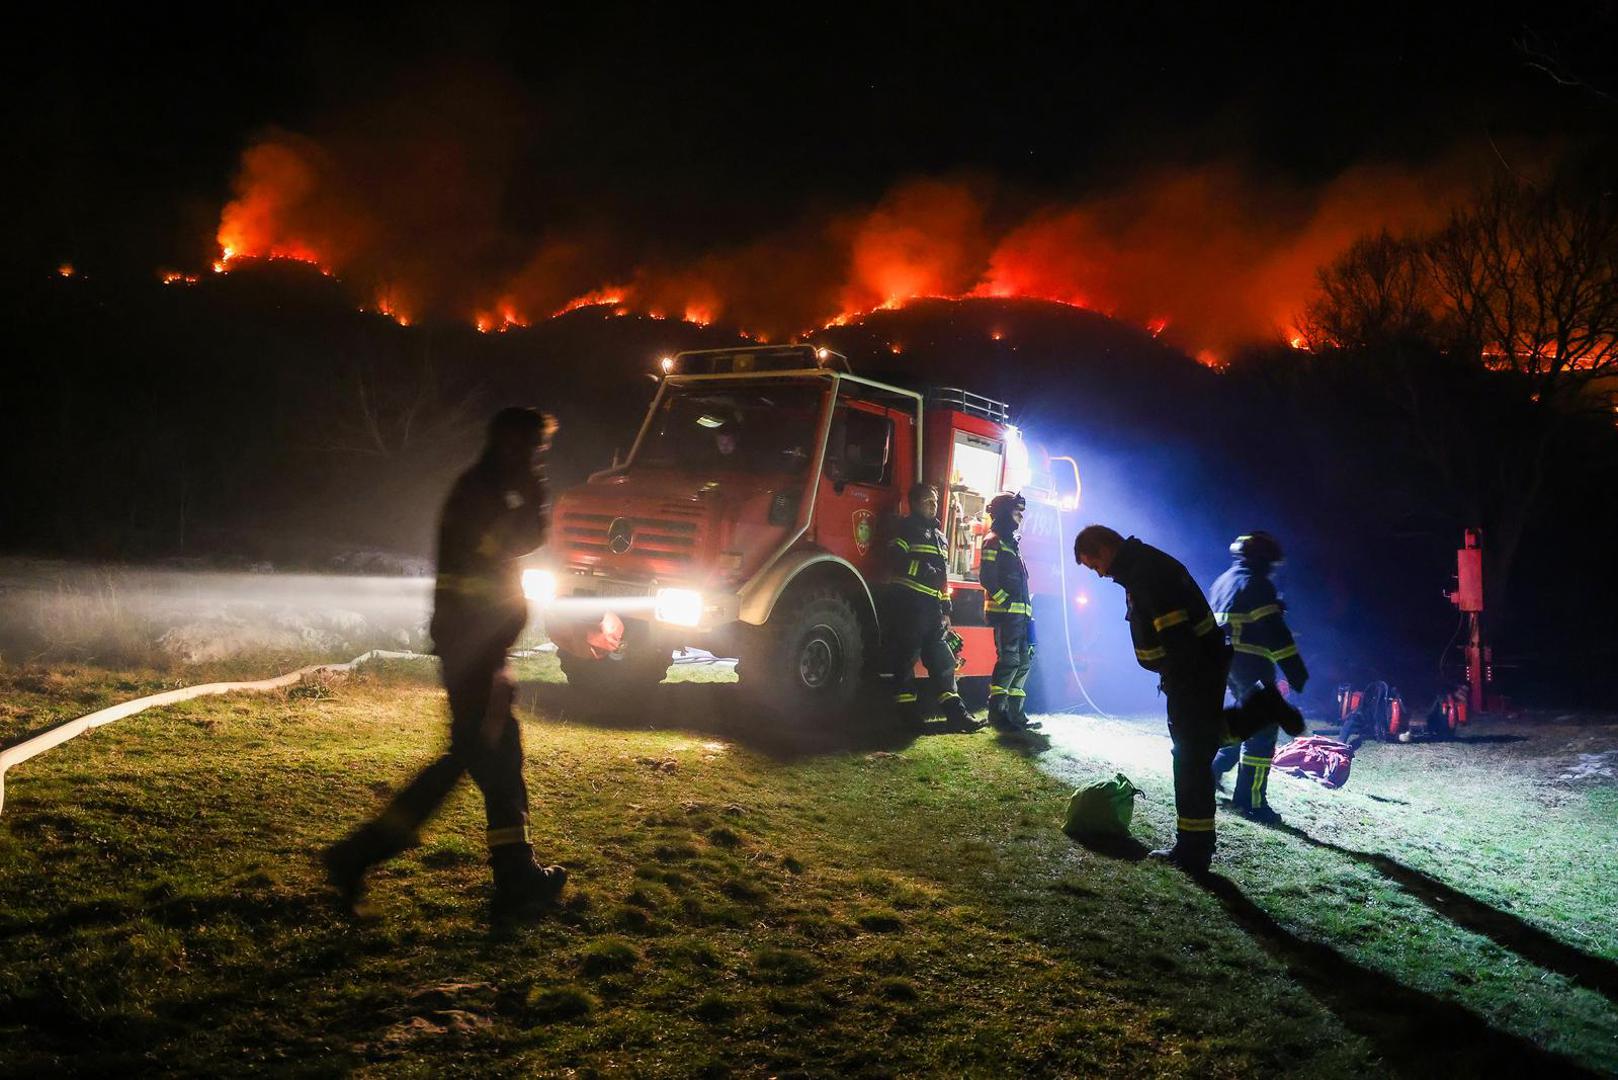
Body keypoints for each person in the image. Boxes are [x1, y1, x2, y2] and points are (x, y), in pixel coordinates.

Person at [323, 407, 567, 919]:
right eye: (531, 450)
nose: (534, 461)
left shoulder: (482, 491)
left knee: (497, 757)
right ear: (511, 446)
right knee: (473, 755)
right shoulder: (482, 496)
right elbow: (517, 542)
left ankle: (516, 873)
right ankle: (357, 854)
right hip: (475, 648)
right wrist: (535, 494)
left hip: (478, 645)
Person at [1075, 524, 1299, 873]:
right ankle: (1261, 708)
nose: (1099, 574)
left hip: (1191, 672)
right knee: (1203, 742)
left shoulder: (1145, 572)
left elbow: (1175, 631)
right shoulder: (1144, 565)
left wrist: (1179, 679)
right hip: (1199, 669)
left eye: (1094, 565)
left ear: (1104, 549)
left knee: (1190, 760)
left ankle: (1192, 852)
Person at [1209, 532, 1309, 824]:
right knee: (1263, 730)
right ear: (1263, 559)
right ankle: (1250, 801)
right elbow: (1275, 633)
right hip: (1250, 663)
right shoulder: (1257, 583)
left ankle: (1210, 772)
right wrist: (1295, 671)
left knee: (1243, 723)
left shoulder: (1223, 580)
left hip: (1224, 664)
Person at [886, 482, 975, 730]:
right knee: (905, 662)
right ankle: (908, 718)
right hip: (909, 606)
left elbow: (943, 579)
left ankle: (958, 716)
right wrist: (922, 570)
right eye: (927, 501)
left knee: (943, 662)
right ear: (914, 503)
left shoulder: (940, 537)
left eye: (935, 501)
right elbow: (894, 559)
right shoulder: (906, 528)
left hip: (933, 611)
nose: (933, 505)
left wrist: (946, 610)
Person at [980, 492, 1039, 732]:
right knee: (1009, 661)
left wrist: (1027, 613)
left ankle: (1016, 714)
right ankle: (998, 713)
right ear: (1004, 512)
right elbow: (987, 577)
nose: (1021, 516)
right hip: (1007, 615)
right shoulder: (993, 541)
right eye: (1017, 511)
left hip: (1021, 616)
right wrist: (1005, 604)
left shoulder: (1012, 543)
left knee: (1024, 662)